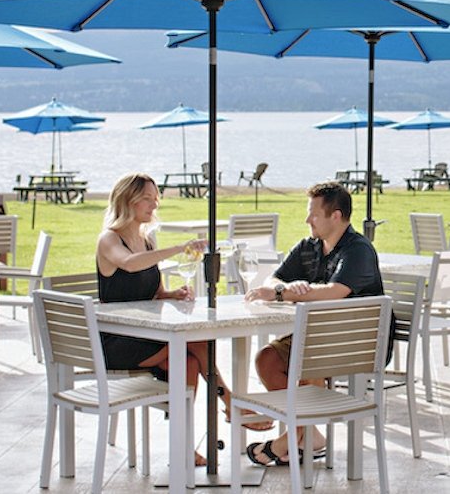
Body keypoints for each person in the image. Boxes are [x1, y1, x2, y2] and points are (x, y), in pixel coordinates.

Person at [243, 180, 393, 467]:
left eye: (313, 214)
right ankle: (309, 435)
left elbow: (334, 292)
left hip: (359, 344)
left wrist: (283, 294)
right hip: (320, 338)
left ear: (335, 216)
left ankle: (289, 439)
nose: (307, 220)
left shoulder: (358, 250)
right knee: (268, 359)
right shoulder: (308, 247)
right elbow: (273, 279)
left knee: (306, 361)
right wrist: (284, 287)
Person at [96, 172, 240, 466]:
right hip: (116, 342)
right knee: (196, 341)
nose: (154, 204)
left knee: (188, 362)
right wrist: (179, 249)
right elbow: (129, 264)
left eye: (155, 198)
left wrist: (172, 294)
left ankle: (183, 446)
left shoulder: (147, 241)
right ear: (127, 200)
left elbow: (154, 292)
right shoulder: (110, 239)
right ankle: (231, 402)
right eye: (147, 198)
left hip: (145, 336)